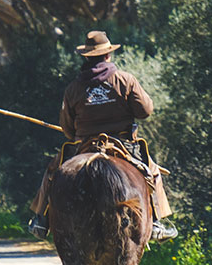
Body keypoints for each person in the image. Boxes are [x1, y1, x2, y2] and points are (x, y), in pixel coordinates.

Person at [28, 30, 178, 243]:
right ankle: (156, 224)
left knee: (53, 171)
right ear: (108, 55)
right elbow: (145, 111)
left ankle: (41, 220)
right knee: (152, 172)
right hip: (124, 144)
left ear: (87, 57)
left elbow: (68, 130)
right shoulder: (126, 80)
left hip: (85, 145)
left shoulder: (73, 88)